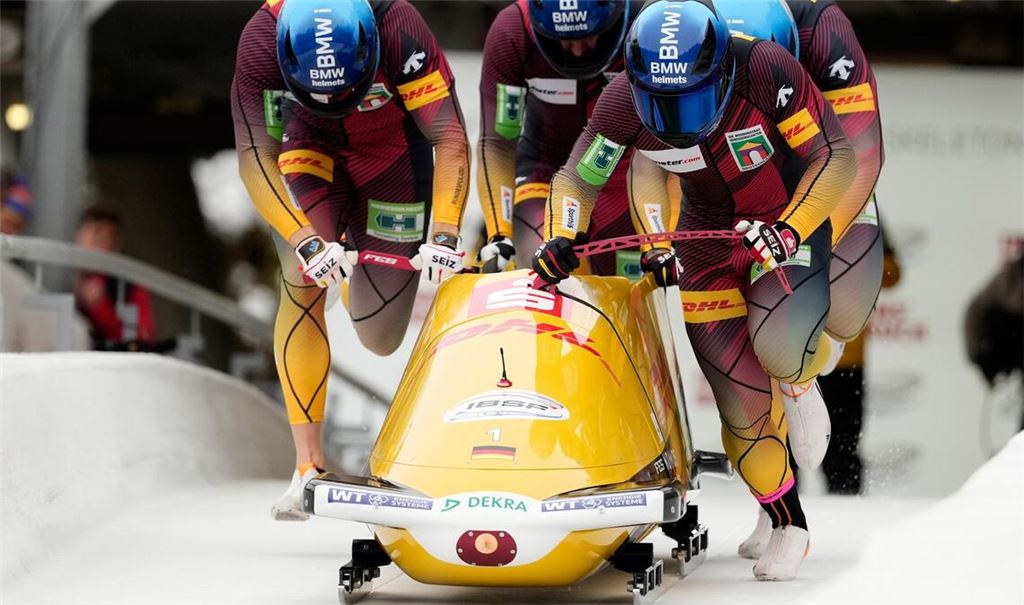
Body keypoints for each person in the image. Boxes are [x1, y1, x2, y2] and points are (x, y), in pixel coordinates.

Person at [532, 0, 856, 580]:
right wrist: (561, 233)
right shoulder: (621, 101)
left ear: (719, 72)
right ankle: (788, 521)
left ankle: (801, 379)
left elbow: (833, 157)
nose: (676, 115)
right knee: (739, 402)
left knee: (779, 346)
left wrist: (790, 230)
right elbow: (578, 176)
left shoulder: (765, 69)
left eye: (690, 98)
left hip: (783, 225)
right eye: (662, 101)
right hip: (705, 242)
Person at [232, 0, 470, 520]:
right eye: (322, 93)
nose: (335, 102)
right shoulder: (262, 39)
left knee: (379, 336)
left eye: (345, 92)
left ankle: (350, 280)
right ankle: (307, 466)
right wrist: (305, 240)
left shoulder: (397, 24)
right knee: (299, 276)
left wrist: (446, 231)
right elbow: (255, 157)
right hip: (307, 150)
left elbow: (449, 137)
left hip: (394, 164)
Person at [711, 0, 887, 557]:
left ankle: (809, 358)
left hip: (824, 179)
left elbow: (859, 152)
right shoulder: (692, 38)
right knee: (743, 378)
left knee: (832, 315)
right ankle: (773, 507)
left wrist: (798, 243)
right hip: (748, 187)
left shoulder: (826, 34)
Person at [477, 0, 678, 281]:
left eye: (589, 35)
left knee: (640, 281)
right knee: (541, 265)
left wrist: (658, 242)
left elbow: (671, 142)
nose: (577, 49)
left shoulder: (652, 26)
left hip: (628, 169)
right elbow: (498, 141)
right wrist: (499, 232)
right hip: (544, 166)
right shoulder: (513, 31)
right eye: (561, 38)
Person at [74, 207, 156, 349]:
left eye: (100, 238)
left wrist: (100, 307)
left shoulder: (130, 287)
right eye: (88, 235)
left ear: (115, 244)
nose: (91, 245)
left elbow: (141, 340)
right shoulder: (67, 277)